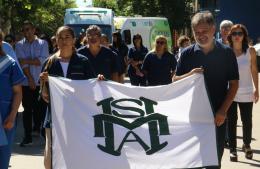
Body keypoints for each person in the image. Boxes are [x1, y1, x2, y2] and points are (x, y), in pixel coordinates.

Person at [174, 11, 239, 169]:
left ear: (213, 29)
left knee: (213, 163)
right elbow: (174, 80)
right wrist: (190, 74)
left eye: (204, 31)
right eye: (197, 32)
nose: (201, 35)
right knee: (193, 162)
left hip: (217, 118)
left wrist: (223, 110)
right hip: (193, 119)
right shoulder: (187, 54)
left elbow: (234, 84)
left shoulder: (226, 53)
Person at [40, 26, 99, 169]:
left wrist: (99, 80)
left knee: (77, 154)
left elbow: (92, 90)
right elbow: (44, 97)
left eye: (67, 37)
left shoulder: (83, 62)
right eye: (60, 37)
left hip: (78, 118)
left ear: (73, 40)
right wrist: (44, 84)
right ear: (56, 41)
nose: (64, 40)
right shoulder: (49, 63)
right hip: (54, 118)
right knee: (51, 155)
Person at [227, 24, 259, 162]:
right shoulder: (226, 52)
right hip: (230, 93)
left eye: (240, 33)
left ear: (244, 35)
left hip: (246, 92)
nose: (237, 36)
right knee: (232, 122)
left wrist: (257, 88)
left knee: (247, 121)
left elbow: (254, 70)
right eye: (234, 33)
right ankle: (233, 150)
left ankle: (246, 144)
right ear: (230, 36)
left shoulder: (250, 51)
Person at [15, 20, 49, 146]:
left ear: (34, 29)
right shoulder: (19, 45)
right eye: (24, 30)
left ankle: (41, 131)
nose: (27, 32)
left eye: (29, 29)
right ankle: (27, 136)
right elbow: (22, 63)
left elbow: (42, 61)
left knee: (40, 110)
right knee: (27, 110)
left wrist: (28, 60)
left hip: (41, 82)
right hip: (26, 83)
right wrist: (30, 79)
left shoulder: (43, 43)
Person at [0, 31, 25, 169]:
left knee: (2, 160)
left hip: (5, 117)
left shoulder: (10, 63)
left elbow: (17, 93)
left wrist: (12, 116)